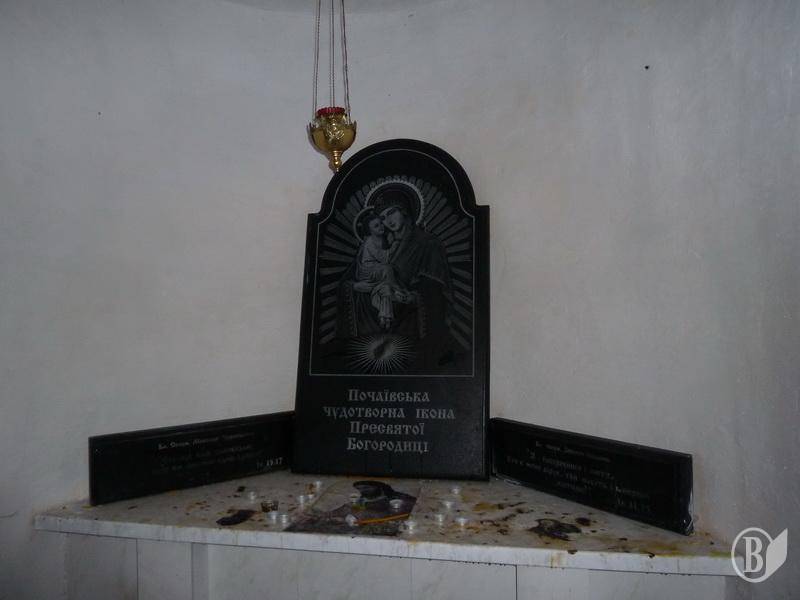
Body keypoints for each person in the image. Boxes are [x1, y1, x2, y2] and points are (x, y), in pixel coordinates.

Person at [351, 210, 403, 330]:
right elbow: (384, 258)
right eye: (376, 226)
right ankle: (396, 290)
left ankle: (385, 315)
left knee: (385, 287)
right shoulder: (370, 241)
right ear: (370, 231)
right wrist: (394, 245)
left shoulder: (383, 238)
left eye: (380, 223)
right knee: (387, 268)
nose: (381, 227)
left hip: (376, 269)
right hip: (367, 270)